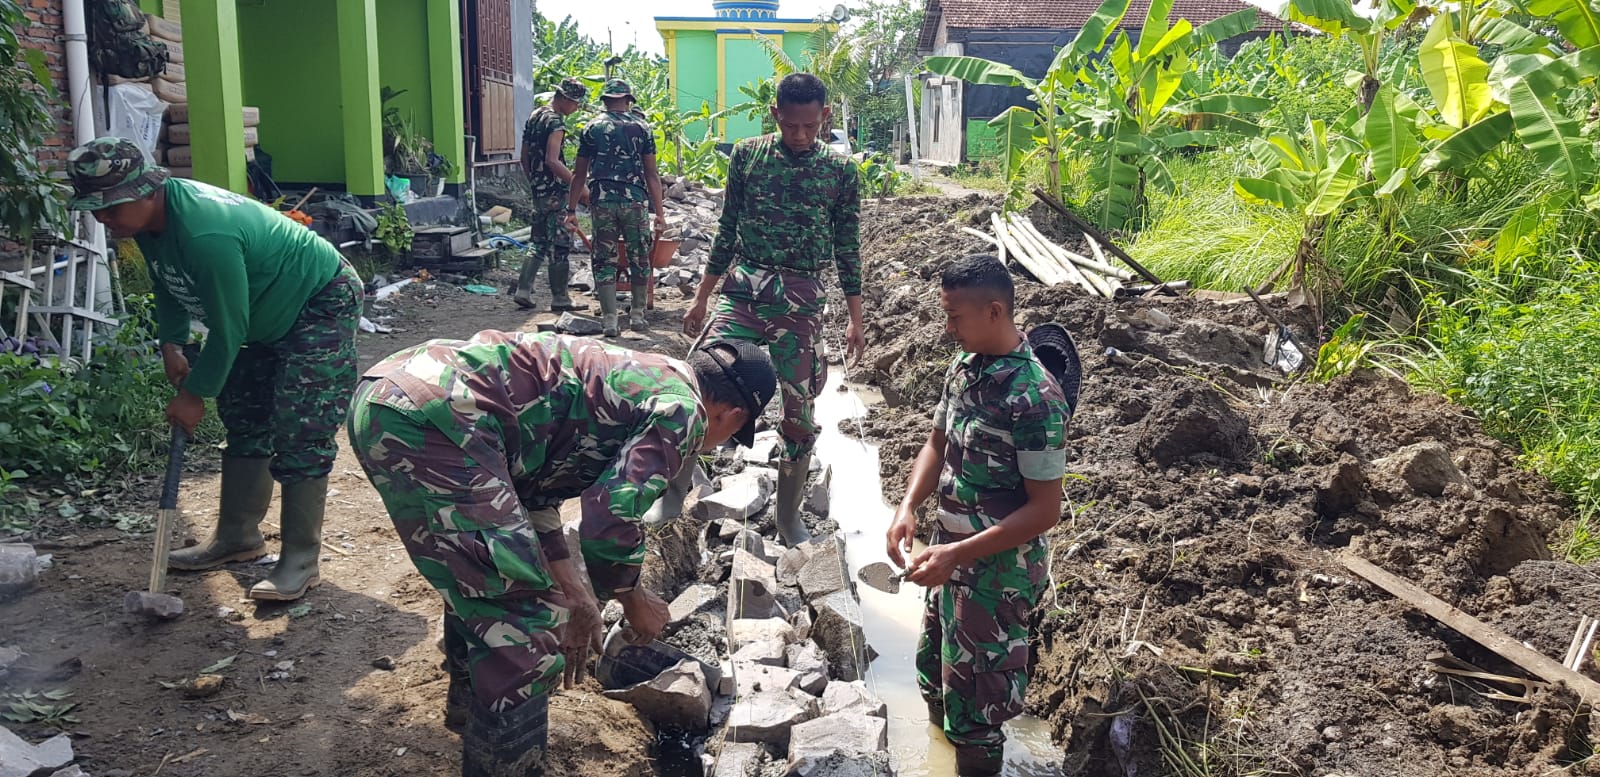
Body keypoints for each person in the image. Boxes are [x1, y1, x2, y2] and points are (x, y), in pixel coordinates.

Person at [347, 331, 776, 776]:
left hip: (392, 392)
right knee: (522, 622)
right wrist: (633, 599)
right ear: (732, 414)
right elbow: (611, 516)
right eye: (732, 435)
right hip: (440, 421)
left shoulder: (644, 374)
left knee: (482, 573)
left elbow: (534, 491)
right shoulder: (683, 411)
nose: (717, 444)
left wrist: (576, 591)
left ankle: (471, 712)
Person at [66, 136, 361, 602]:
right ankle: (238, 537)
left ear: (148, 191)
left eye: (111, 206)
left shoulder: (206, 233)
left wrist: (193, 394)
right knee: (245, 413)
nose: (103, 217)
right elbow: (167, 281)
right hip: (261, 308)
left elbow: (229, 328)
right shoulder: (147, 221)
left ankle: (300, 561)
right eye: (96, 207)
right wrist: (171, 342)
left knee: (300, 424)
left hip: (318, 300)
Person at [885, 255, 1070, 777]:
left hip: (996, 579)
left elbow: (1045, 510)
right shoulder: (964, 368)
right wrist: (907, 506)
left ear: (994, 311)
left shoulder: (1034, 398)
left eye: (955, 317)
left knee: (977, 717)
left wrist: (957, 553)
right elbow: (936, 443)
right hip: (949, 562)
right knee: (935, 681)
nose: (948, 328)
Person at [681, 72, 865, 546]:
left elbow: (848, 248)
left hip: (801, 299)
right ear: (774, 115)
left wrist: (856, 319)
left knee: (799, 410)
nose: (799, 135)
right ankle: (678, 487)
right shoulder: (748, 156)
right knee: (700, 378)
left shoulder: (841, 171)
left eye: (810, 126)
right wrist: (702, 295)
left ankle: (788, 518)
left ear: (825, 117)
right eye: (790, 125)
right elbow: (727, 229)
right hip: (744, 289)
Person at [565, 78, 666, 336]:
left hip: (602, 202)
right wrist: (660, 213)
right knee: (639, 255)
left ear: (605, 100)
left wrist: (571, 210)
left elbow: (579, 174)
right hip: (634, 202)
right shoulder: (642, 128)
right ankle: (637, 315)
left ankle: (610, 320)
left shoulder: (591, 128)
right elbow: (651, 174)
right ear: (628, 100)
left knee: (604, 258)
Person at [515, 77, 588, 311]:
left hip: (539, 190)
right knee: (560, 244)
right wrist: (579, 186)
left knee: (537, 241)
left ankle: (523, 289)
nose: (576, 108)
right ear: (565, 99)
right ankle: (560, 298)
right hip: (556, 192)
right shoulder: (556, 123)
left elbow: (524, 156)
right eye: (575, 103)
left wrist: (534, 182)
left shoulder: (535, 115)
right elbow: (552, 160)